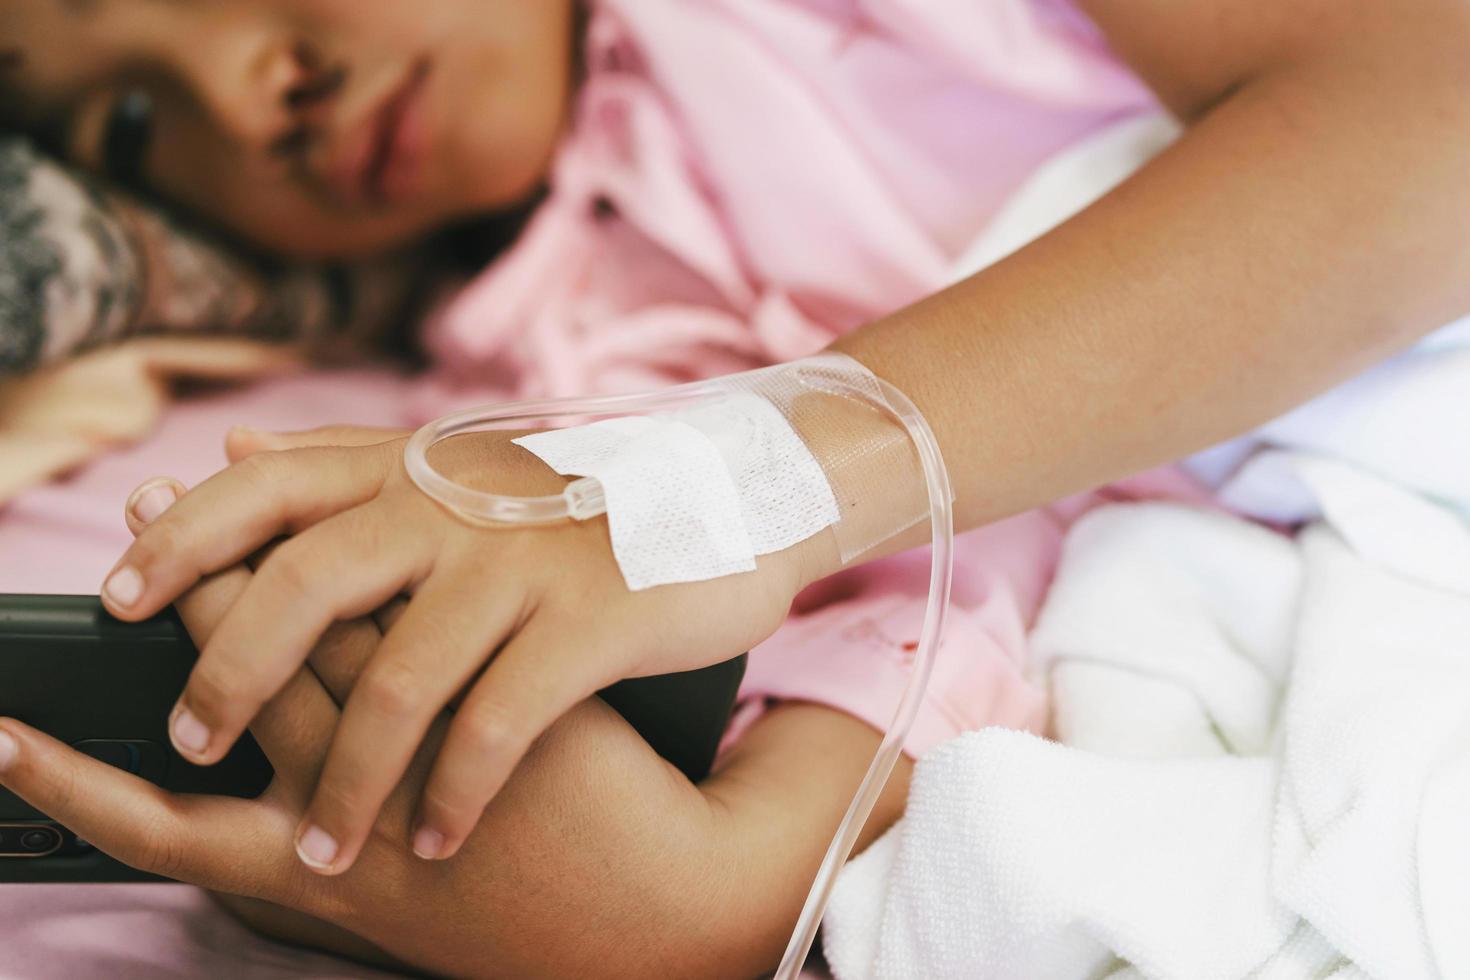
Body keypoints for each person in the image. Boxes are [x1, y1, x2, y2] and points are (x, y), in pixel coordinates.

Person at [0, 0, 1467, 976]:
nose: (247, 93)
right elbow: (934, 593)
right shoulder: (533, 360)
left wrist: (749, 472)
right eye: (129, 127)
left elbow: (1430, 117)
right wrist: (708, 889)